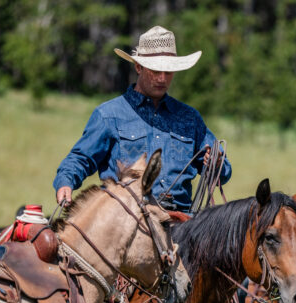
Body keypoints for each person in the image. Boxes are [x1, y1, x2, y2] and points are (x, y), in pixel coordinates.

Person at [53, 26, 231, 212]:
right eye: (155, 70)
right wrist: (66, 182)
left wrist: (217, 163)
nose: (162, 78)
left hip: (180, 222)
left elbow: (223, 173)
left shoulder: (190, 118)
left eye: (168, 72)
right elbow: (81, 158)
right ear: (138, 67)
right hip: (124, 218)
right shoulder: (109, 115)